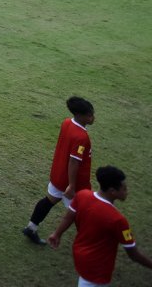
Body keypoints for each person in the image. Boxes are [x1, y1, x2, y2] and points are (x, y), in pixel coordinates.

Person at [48, 165, 152, 286]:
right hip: (97, 270)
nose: (127, 192)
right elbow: (133, 254)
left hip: (80, 255)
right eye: (124, 189)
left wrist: (57, 234)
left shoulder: (82, 195)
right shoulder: (118, 220)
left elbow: (69, 217)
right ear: (112, 191)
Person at [24, 96, 95, 245]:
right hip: (72, 184)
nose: (92, 118)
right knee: (82, 213)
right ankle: (88, 244)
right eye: (89, 115)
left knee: (49, 201)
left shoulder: (67, 122)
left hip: (57, 176)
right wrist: (72, 186)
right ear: (80, 115)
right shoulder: (81, 137)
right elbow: (74, 161)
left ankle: (31, 228)